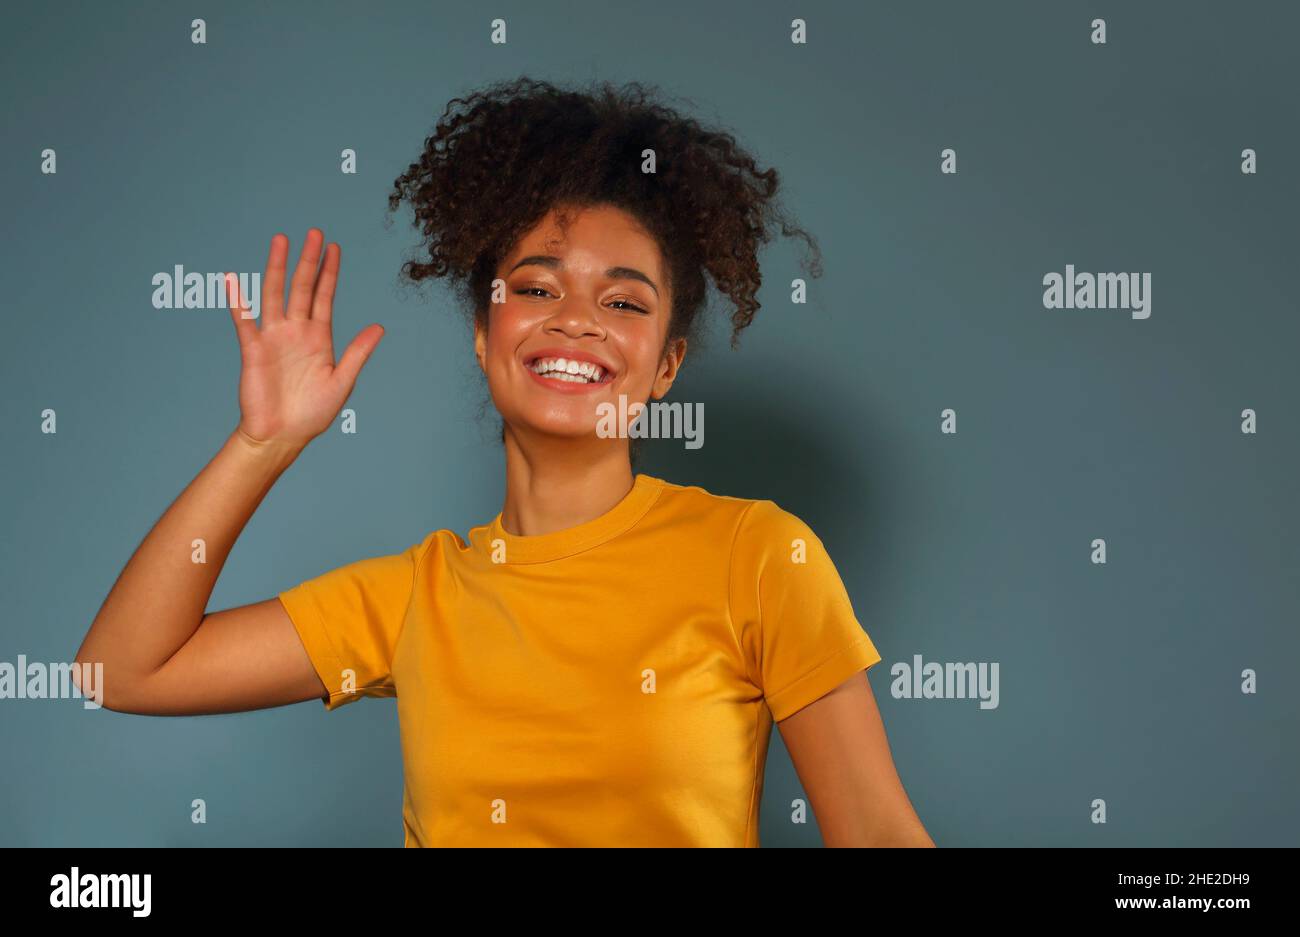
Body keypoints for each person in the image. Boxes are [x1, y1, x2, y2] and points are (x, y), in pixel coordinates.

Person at [75, 77, 934, 848]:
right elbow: (121, 670)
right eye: (535, 286)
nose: (575, 319)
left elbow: (877, 832)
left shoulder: (758, 556)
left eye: (624, 299)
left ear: (667, 364)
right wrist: (263, 444)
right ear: (486, 336)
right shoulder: (415, 595)